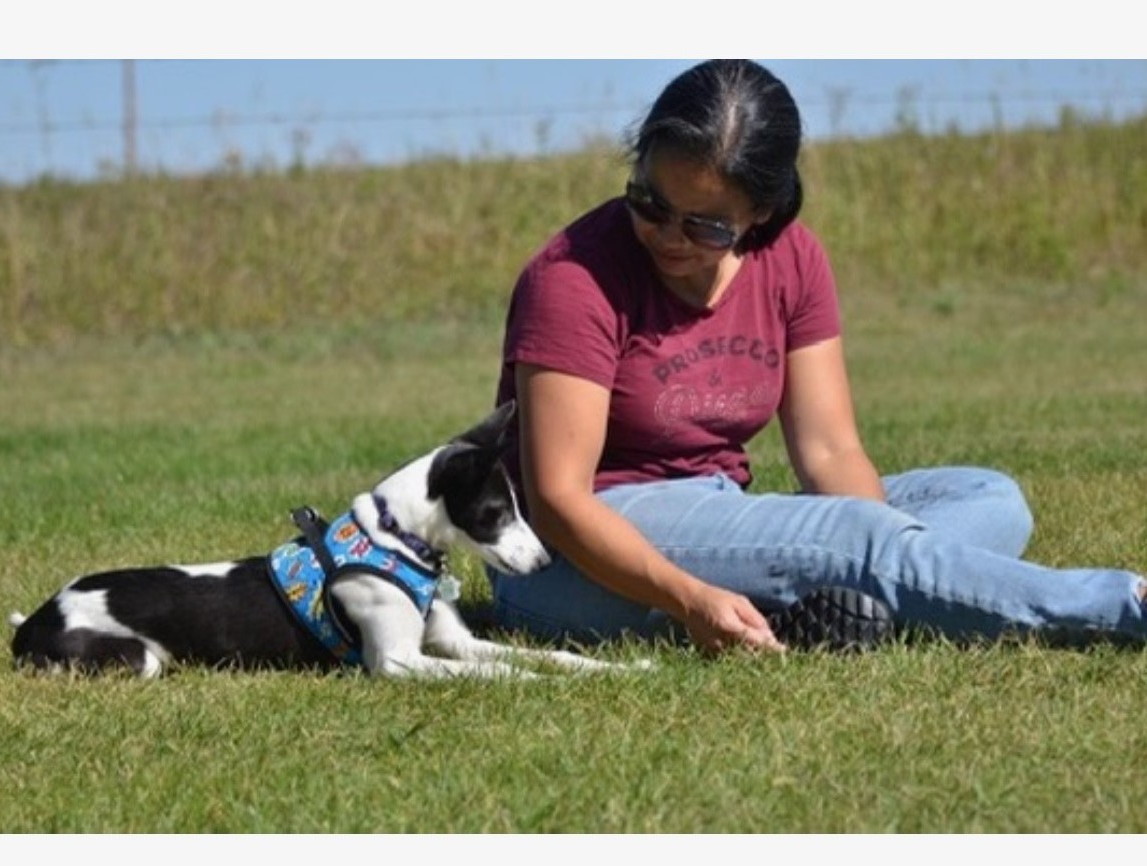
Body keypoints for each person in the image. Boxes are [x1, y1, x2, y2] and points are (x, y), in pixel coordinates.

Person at [485, 58, 1146, 655]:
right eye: (650, 203)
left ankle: (843, 599)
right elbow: (557, 501)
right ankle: (1124, 607)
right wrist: (690, 598)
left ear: (762, 214)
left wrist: (863, 540)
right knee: (856, 541)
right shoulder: (573, 278)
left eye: (707, 225)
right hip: (570, 562)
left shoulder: (792, 260)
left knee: (990, 499)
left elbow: (830, 452)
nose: (668, 236)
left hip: (715, 513)